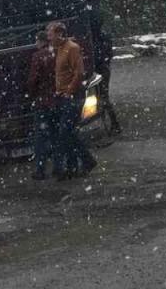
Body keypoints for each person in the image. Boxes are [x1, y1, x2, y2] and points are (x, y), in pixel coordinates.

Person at [50, 21, 97, 179]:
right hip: (62, 96)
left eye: (51, 33)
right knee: (67, 133)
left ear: (59, 34)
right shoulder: (59, 49)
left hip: (72, 96)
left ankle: (86, 160)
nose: (49, 37)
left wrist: (69, 91)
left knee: (66, 132)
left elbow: (79, 73)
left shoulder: (72, 48)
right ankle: (73, 166)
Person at [25, 31, 58, 180]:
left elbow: (33, 80)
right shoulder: (56, 53)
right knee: (56, 134)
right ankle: (59, 167)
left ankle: (40, 169)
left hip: (43, 101)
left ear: (40, 41)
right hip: (57, 99)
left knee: (40, 138)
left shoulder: (38, 56)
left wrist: (31, 95)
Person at [90, 13, 123, 136]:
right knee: (103, 97)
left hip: (100, 69)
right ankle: (112, 123)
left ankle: (113, 124)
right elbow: (108, 54)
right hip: (103, 68)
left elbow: (104, 54)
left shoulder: (94, 37)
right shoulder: (103, 36)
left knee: (102, 97)